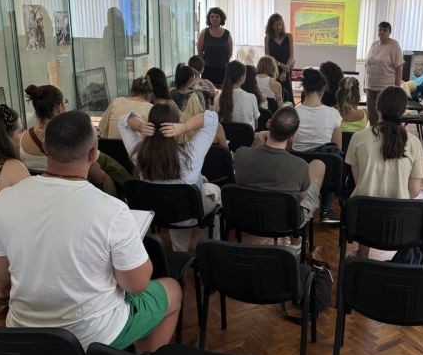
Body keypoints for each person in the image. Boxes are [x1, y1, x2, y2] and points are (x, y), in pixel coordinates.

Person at [0, 111, 182, 355]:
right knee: (171, 291)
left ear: (45, 149)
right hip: (91, 335)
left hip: (25, 333)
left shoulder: (7, 200)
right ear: (93, 154)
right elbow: (137, 285)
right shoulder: (112, 210)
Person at [118, 100, 221, 251]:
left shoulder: (138, 155)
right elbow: (212, 118)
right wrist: (185, 127)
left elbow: (122, 122)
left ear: (150, 124)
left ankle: (179, 249)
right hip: (190, 214)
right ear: (175, 125)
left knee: (180, 196)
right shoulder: (191, 154)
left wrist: (140, 126)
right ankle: (211, 246)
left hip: (157, 211)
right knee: (214, 191)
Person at [345, 86, 423, 257]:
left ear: (377, 105)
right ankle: (397, 267)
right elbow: (413, 191)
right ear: (403, 111)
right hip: (399, 224)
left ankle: (362, 257)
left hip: (361, 220)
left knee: (364, 197)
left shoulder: (358, 138)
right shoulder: (414, 143)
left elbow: (359, 181)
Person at [234, 106, 325, 253]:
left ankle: (297, 243)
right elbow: (301, 198)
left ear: (269, 123)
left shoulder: (241, 154)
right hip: (287, 220)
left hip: (246, 216)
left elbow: (248, 158)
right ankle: (296, 245)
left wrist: (256, 141)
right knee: (318, 165)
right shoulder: (300, 165)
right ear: (292, 136)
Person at [20, 83, 130, 197]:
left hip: (45, 190)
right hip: (77, 183)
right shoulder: (67, 136)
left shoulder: (23, 138)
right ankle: (133, 190)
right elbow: (98, 177)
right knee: (107, 169)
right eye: (65, 103)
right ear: (59, 108)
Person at [0, 104, 30, 305]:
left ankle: (0, 290)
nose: (21, 136)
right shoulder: (14, 168)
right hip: (1, 259)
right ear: (6, 137)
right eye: (19, 131)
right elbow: (32, 217)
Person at [293, 68, 342, 224]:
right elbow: (338, 147)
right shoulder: (333, 114)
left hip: (298, 172)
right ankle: (326, 210)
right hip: (327, 175)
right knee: (333, 159)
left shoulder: (293, 113)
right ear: (323, 89)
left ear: (304, 88)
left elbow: (288, 144)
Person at [365, 21, 404, 126]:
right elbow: (367, 65)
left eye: (385, 30)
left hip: (385, 89)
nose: (382, 32)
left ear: (390, 32)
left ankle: (384, 135)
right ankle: (373, 133)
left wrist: (397, 89)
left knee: (384, 118)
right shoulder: (374, 45)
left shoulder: (394, 45)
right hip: (370, 87)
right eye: (380, 29)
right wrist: (365, 83)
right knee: (372, 117)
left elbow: (399, 68)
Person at [215, 60, 259, 129]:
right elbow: (256, 125)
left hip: (225, 136)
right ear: (242, 77)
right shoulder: (251, 97)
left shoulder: (218, 98)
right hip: (246, 135)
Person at [197, 7, 233, 86]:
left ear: (221, 18)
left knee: (222, 91)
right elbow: (200, 51)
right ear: (209, 19)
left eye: (217, 16)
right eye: (212, 16)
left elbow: (230, 53)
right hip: (207, 69)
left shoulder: (227, 33)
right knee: (207, 91)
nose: (214, 18)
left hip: (223, 69)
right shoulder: (204, 32)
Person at [264, 13, 294, 103]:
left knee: (288, 95)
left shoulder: (289, 36)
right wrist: (280, 65)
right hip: (273, 70)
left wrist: (285, 71)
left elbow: (292, 55)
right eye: (275, 24)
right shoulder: (267, 38)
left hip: (286, 69)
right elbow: (268, 56)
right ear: (271, 25)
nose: (278, 27)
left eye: (280, 24)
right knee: (275, 96)